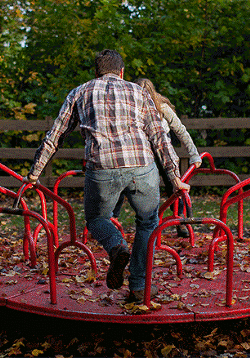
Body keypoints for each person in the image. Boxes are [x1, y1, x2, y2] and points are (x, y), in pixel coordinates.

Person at [25, 49, 190, 303]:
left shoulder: (80, 92)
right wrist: (175, 175)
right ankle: (138, 286)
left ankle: (116, 246)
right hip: (142, 167)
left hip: (101, 168)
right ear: (122, 72)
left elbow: (55, 135)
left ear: (96, 72)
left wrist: (34, 174)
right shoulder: (139, 92)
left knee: (96, 219)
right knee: (148, 222)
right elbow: (159, 135)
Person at [135, 78, 202, 237]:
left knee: (175, 183)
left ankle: (180, 219)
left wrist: (194, 154)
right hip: (144, 152)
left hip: (163, 150)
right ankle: (122, 219)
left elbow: (181, 131)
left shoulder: (162, 108)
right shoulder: (133, 109)